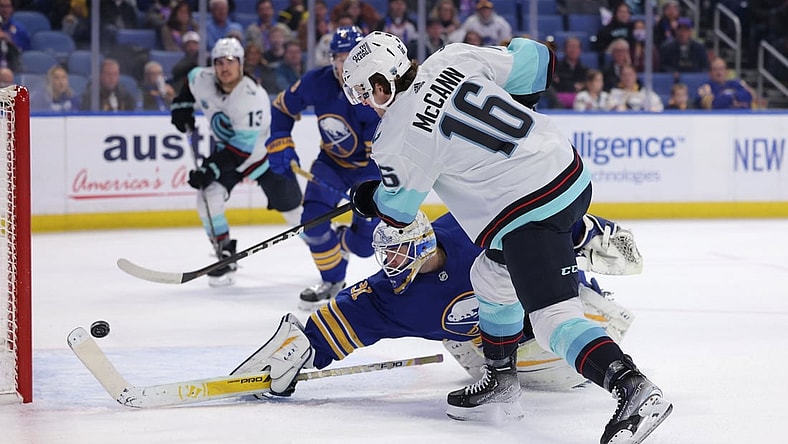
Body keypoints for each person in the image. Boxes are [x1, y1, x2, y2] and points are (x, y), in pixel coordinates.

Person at [340, 31, 672, 442]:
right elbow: (537, 60)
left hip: (525, 210)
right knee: (491, 277)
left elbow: (399, 211)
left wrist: (366, 196)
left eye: (364, 91)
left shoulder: (395, 137)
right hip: (565, 169)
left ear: (381, 82)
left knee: (553, 320)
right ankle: (501, 379)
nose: (367, 102)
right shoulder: (452, 56)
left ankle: (633, 388)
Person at [232, 210, 642, 396]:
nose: (389, 265)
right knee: (512, 373)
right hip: (488, 342)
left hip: (543, 308)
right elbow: (339, 323)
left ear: (422, 243)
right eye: (385, 256)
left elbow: (538, 224)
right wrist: (299, 351)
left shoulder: (472, 228)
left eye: (396, 254)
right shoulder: (390, 296)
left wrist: (590, 232)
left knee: (577, 347)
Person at [169, 37, 303, 287]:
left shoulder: (251, 96)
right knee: (207, 198)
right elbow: (190, 81)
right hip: (231, 152)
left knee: (296, 215)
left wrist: (209, 168)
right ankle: (224, 254)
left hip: (264, 156)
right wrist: (183, 105)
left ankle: (328, 246)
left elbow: (241, 151)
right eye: (219, 62)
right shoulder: (204, 78)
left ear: (241, 64)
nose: (224, 67)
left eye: (230, 61)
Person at [264, 26, 381, 309]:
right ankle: (331, 280)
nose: (345, 65)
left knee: (364, 248)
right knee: (312, 224)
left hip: (370, 170)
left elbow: (385, 151)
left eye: (352, 56)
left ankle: (344, 240)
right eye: (339, 58)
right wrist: (280, 140)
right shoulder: (317, 82)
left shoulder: (377, 89)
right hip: (331, 164)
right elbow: (282, 107)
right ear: (331, 59)